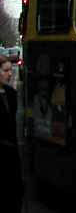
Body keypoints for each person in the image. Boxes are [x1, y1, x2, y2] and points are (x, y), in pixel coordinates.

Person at [0, 54, 24, 212]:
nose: (10, 74)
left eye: (10, 70)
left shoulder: (11, 94)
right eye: (6, 70)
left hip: (12, 154)